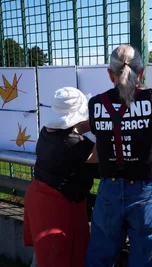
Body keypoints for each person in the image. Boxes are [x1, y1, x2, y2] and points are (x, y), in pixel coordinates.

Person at [85, 45, 152, 267]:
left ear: (110, 74)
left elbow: (97, 130)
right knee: (144, 259)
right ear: (140, 73)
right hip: (145, 194)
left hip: (108, 191)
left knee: (99, 257)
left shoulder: (96, 104)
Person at [24, 87, 98, 267]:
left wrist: (93, 121)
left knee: (43, 256)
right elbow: (103, 154)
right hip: (57, 209)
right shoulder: (76, 144)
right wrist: (110, 122)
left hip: (40, 202)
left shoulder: (46, 132)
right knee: (57, 258)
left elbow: (77, 127)